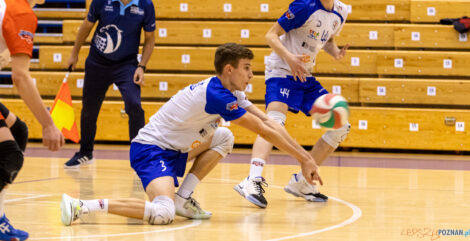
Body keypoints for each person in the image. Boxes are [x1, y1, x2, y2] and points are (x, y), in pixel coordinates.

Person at [60, 43, 322, 226]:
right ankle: (81, 206)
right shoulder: (217, 95)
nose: (252, 75)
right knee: (163, 213)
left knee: (224, 137)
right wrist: (304, 159)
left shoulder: (231, 92)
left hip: (177, 148)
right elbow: (263, 129)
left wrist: (305, 158)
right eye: (247, 68)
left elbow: (269, 121)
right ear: (229, 70)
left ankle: (183, 198)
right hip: (150, 150)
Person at [234, 0, 351, 208]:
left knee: (341, 124)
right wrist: (290, 57)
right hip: (281, 71)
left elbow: (326, 39)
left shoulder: (341, 11)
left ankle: (302, 182)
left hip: (305, 76)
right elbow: (271, 35)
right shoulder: (303, 6)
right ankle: (253, 179)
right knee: (274, 122)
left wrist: (336, 52)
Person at [64, 0, 156, 168]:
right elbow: (86, 27)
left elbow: (150, 39)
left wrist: (142, 66)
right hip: (97, 62)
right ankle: (85, 152)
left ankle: (138, 156)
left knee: (134, 105)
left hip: (127, 64)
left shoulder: (145, 4)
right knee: (89, 109)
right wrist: (74, 54)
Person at [0, 0, 65, 241]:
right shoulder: (22, 12)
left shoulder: (5, 1)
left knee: (18, 131)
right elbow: (20, 78)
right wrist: (49, 123)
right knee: (8, 154)